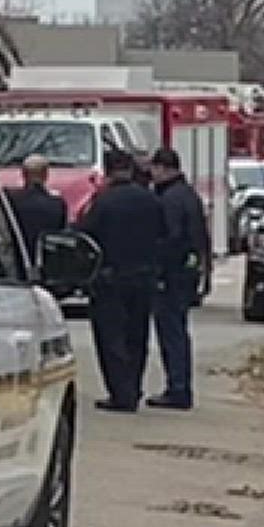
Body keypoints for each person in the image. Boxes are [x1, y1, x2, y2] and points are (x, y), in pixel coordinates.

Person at [78, 148, 164, 412]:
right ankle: (134, 388)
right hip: (144, 277)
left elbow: (86, 235)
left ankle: (121, 392)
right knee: (137, 336)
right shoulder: (150, 200)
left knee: (111, 337)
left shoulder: (104, 202)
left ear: (108, 171)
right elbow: (162, 234)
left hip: (111, 279)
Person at [148, 148, 211, 410]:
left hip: (172, 275)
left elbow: (171, 238)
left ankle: (178, 388)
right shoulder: (189, 195)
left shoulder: (170, 199)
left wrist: (159, 270)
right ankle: (179, 385)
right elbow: (201, 237)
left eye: (154, 168)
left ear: (163, 168)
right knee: (178, 330)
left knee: (171, 332)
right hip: (187, 272)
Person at [6, 154, 68, 263]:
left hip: (17, 261)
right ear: (46, 175)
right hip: (47, 263)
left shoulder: (11, 202)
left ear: (23, 174)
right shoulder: (57, 205)